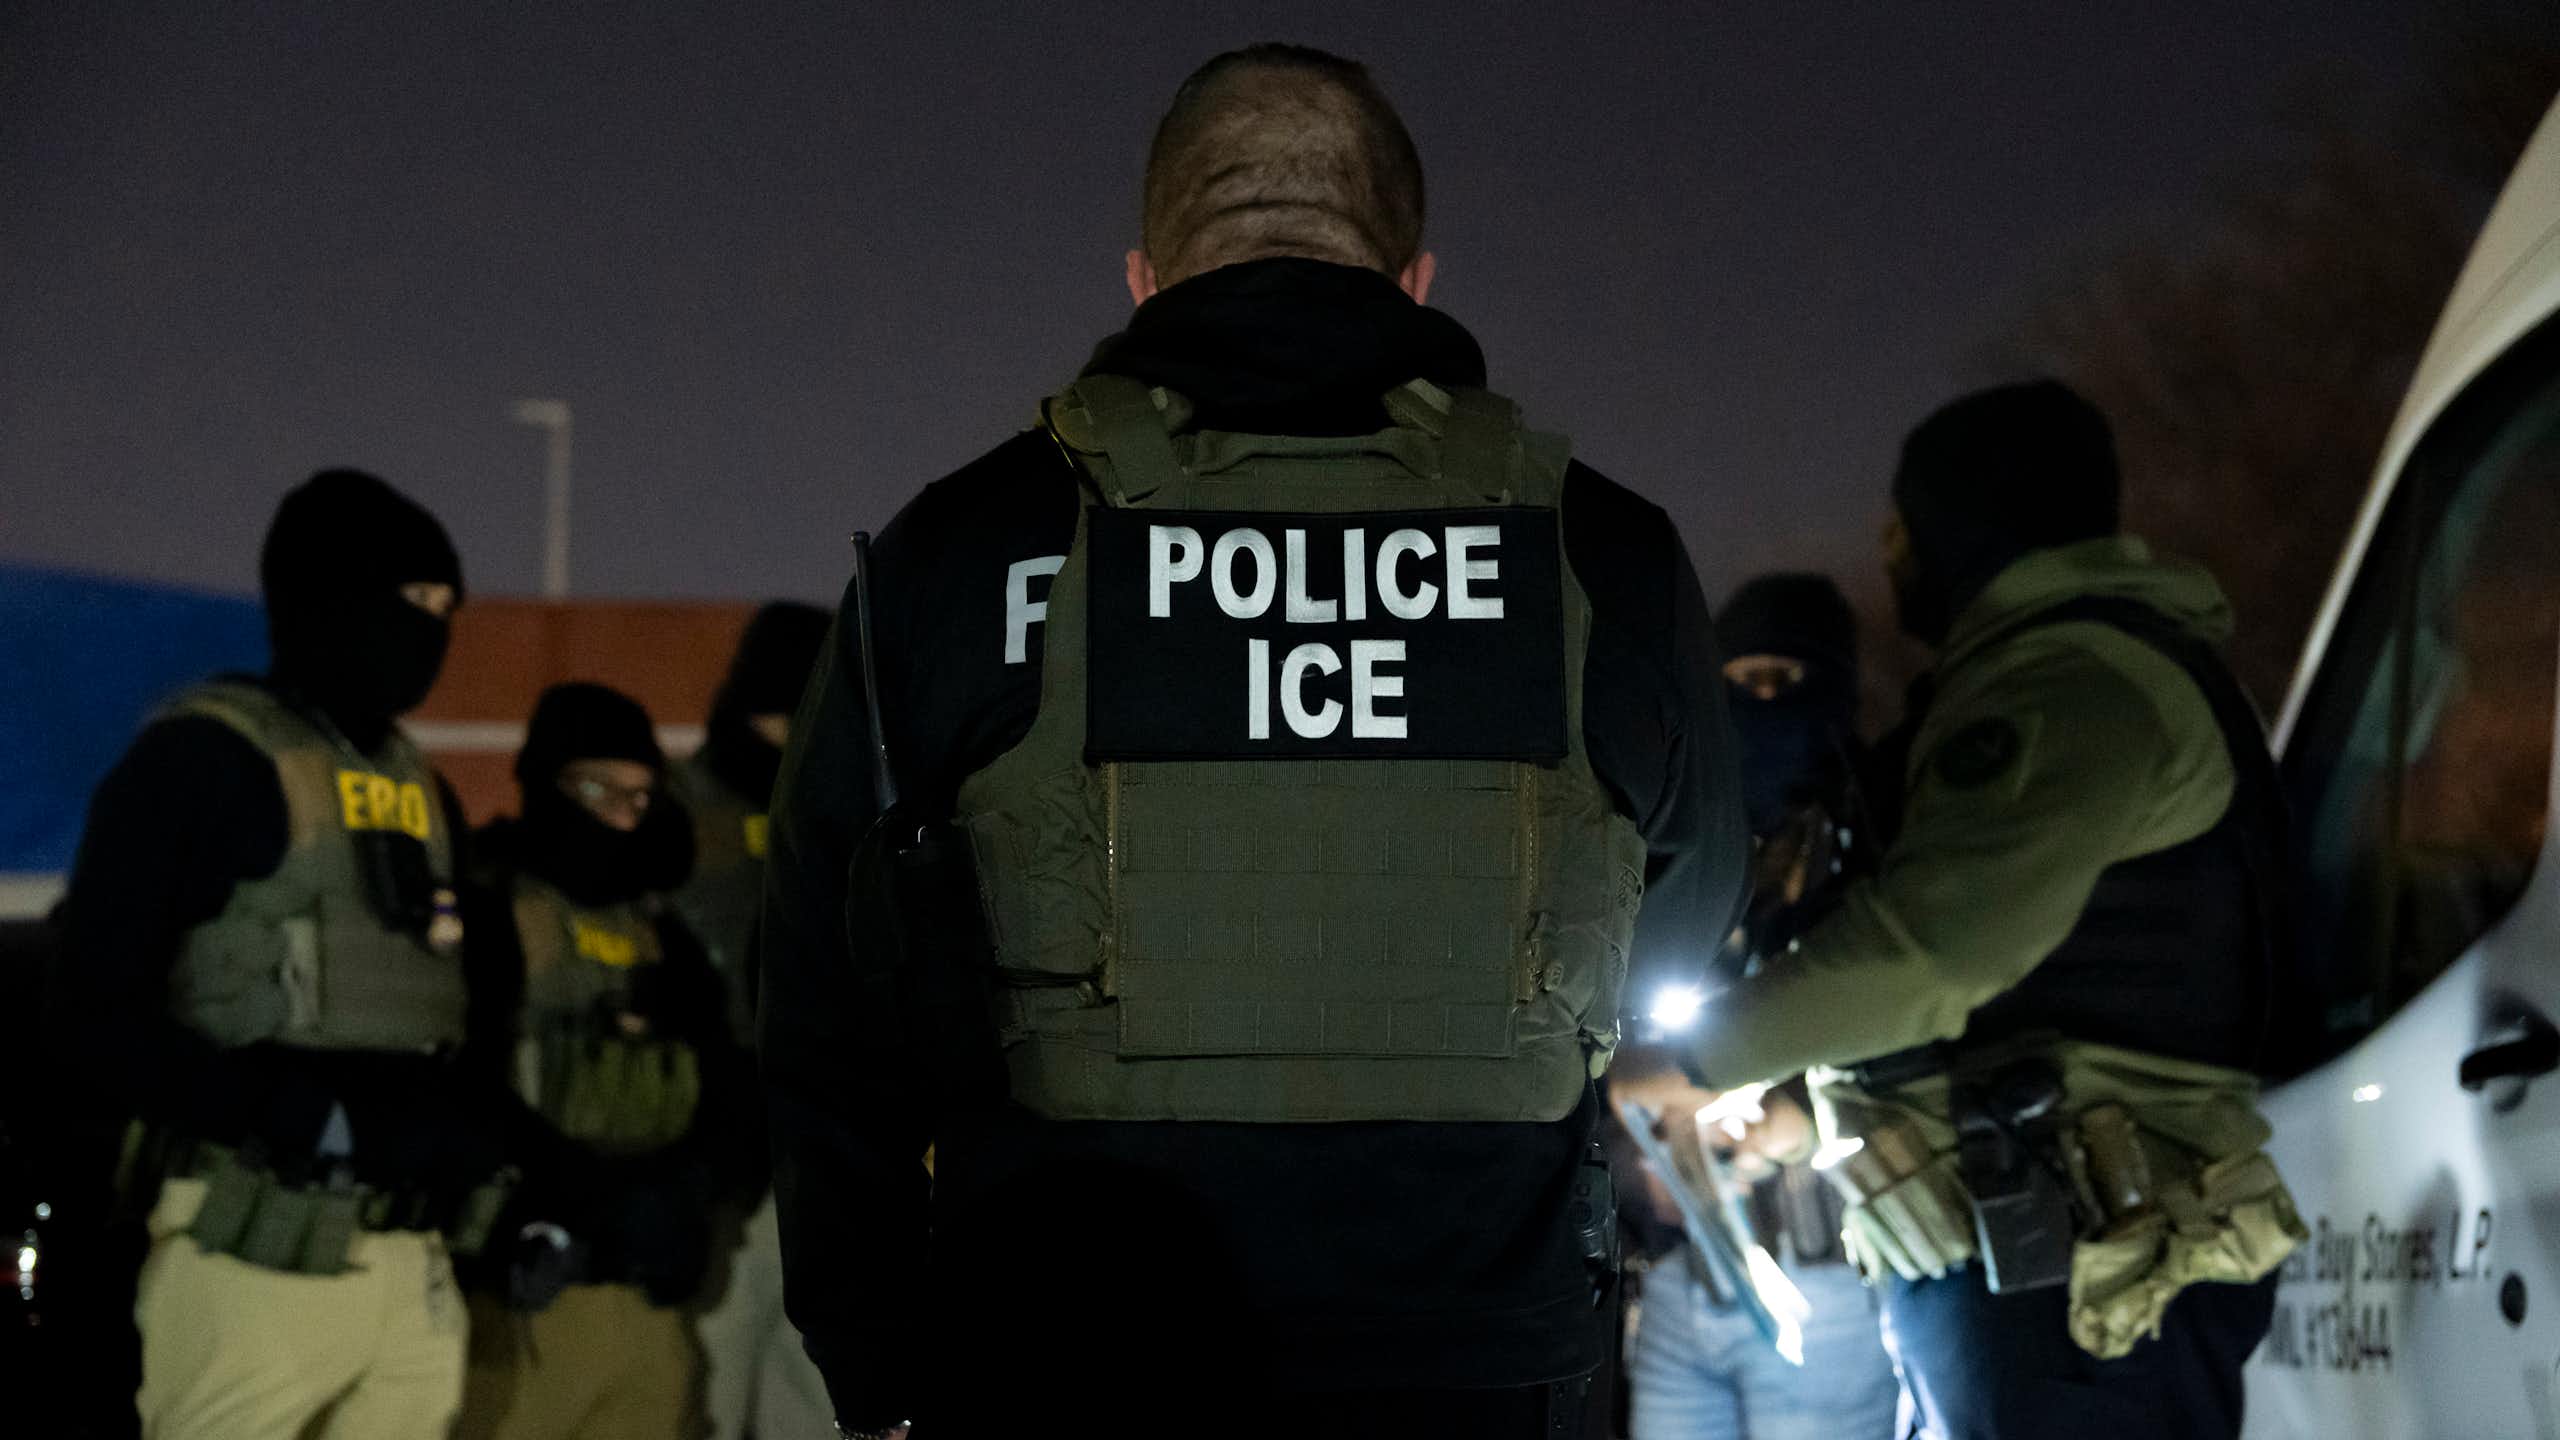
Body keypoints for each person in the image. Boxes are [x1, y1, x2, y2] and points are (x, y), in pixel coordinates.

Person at [762, 43, 1748, 1440]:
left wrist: (875, 1362)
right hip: (1482, 1369)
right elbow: (1681, 939)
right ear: (1416, 279)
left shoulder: (962, 546)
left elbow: (819, 1003)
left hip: (1060, 1365)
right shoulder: (1610, 555)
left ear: (1144, 282)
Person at [1688, 383, 2306, 1440]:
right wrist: (1801, 1121)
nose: (1888, 558)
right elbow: (1988, 1009)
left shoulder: (2067, 683)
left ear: (1955, 521)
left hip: (2076, 1291)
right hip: (2031, 1284)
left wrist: (1692, 1058)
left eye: (1900, 527)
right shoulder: (2053, 675)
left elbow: (1935, 954)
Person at [51, 469, 511, 1440]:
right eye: (411, 600)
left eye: (445, 605)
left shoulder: (420, 788)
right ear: (329, 598)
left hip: (409, 1249)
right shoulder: (199, 760)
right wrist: (293, 1110)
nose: (432, 627)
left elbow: (457, 1002)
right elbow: (91, 1008)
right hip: (253, 1237)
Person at [1611, 572, 1898, 1440]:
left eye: (1789, 681)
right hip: (1676, 1285)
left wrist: (1793, 1117)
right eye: (1744, 680)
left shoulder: (1878, 839)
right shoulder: (1673, 841)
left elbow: (1900, 1013)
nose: (1766, 704)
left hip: (1828, 1283)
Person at [454, 682, 739, 1440]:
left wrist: (686, 1199)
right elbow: (460, 1085)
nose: (620, 815)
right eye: (598, 789)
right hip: (521, 1302)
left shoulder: (659, 933)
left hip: (646, 1302)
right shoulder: (489, 905)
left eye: (640, 797)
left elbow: (722, 1087)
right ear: (546, 782)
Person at [667, 601, 836, 1440]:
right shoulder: (682, 815)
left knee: (811, 1398)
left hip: (818, 1160)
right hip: (727, 1163)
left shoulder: (835, 812)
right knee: (711, 1387)